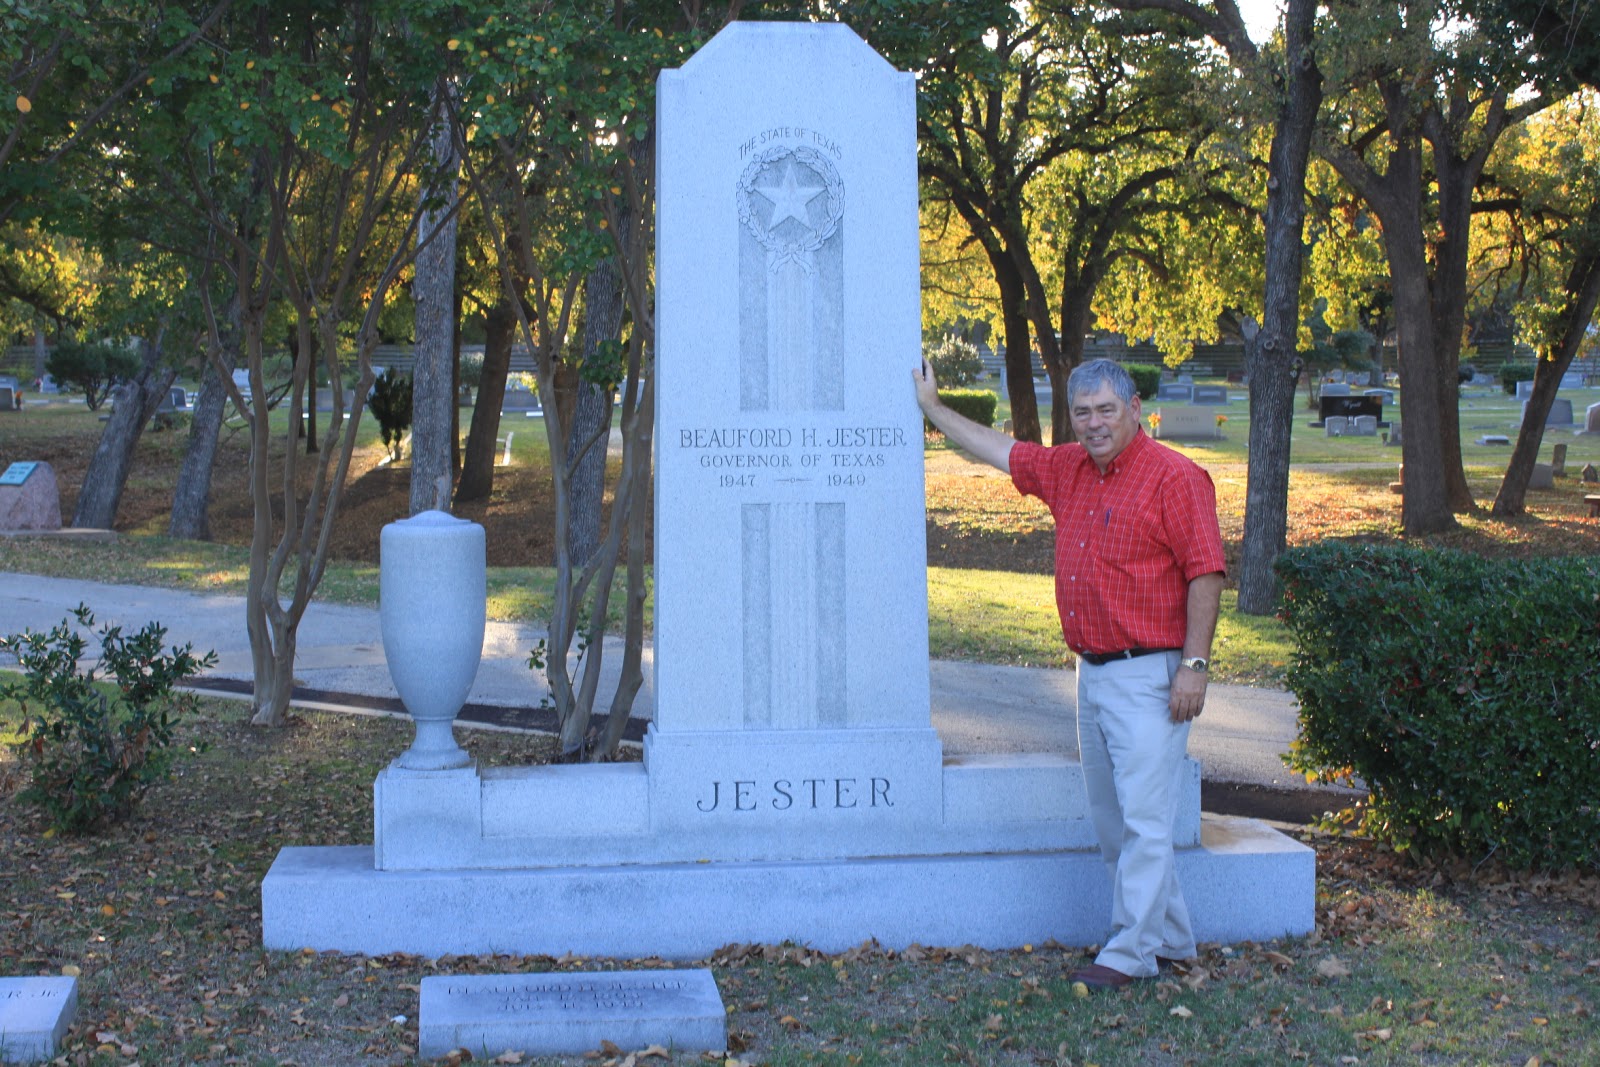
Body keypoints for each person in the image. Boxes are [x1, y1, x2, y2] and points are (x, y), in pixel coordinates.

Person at [913, 356, 1226, 990]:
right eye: (1082, 412)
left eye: (1106, 409)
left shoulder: (1176, 478)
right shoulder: (1068, 472)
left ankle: (1129, 953)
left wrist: (1194, 666)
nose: (1093, 423)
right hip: (1093, 674)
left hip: (1153, 675)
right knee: (1115, 822)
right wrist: (934, 410)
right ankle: (1170, 939)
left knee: (1143, 820)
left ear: (1135, 408)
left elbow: (1206, 572)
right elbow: (1003, 451)